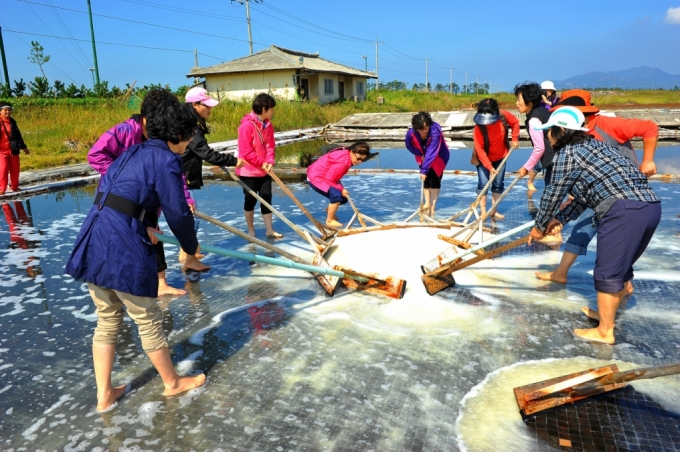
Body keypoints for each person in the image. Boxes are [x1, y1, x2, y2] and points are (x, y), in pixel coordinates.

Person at [65, 98, 207, 412]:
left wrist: (141, 223)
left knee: (107, 320)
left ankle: (104, 395)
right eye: (189, 135)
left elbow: (120, 193)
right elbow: (178, 213)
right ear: (177, 134)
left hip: (95, 238)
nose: (190, 142)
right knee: (147, 318)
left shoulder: (132, 151)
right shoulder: (166, 160)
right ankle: (172, 384)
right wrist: (191, 245)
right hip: (121, 247)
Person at [528, 107, 661, 345]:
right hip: (649, 207)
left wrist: (539, 226)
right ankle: (605, 314)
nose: (547, 137)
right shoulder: (600, 147)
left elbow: (552, 194)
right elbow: (585, 196)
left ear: (560, 132)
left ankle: (604, 332)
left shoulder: (566, 154)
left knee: (608, 270)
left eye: (549, 132)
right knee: (620, 266)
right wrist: (560, 219)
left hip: (623, 210)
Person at [88, 88, 208, 296]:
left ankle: (160, 282)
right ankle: (148, 284)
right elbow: (96, 154)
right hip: (126, 201)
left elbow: (176, 175)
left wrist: (186, 196)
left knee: (153, 234)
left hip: (147, 202)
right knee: (139, 239)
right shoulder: (125, 131)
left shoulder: (162, 143)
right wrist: (125, 176)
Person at [535, 89, 659, 285]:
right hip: (598, 192)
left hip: (622, 194)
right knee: (583, 230)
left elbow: (650, 127)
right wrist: (561, 215)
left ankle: (618, 288)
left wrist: (648, 160)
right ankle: (563, 273)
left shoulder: (607, 124)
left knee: (614, 242)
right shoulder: (572, 140)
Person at [181, 87, 240, 259]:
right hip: (180, 175)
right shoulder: (189, 125)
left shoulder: (193, 121)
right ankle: (187, 255)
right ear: (195, 105)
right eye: (206, 105)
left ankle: (187, 253)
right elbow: (206, 153)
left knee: (188, 215)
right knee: (192, 216)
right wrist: (234, 160)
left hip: (183, 173)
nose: (210, 109)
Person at [237, 93, 282, 238]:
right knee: (250, 199)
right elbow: (246, 151)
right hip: (248, 170)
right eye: (271, 109)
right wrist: (262, 162)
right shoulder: (246, 126)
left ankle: (269, 229)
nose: (273, 111)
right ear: (264, 109)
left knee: (266, 197)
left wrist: (269, 161)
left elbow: (270, 145)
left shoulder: (268, 125)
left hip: (264, 170)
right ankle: (251, 230)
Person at [471, 99, 520, 220]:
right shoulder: (479, 128)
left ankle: (494, 210)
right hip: (483, 160)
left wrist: (515, 138)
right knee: (483, 184)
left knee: (498, 184)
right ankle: (483, 211)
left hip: (500, 156)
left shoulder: (503, 116)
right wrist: (489, 167)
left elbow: (515, 123)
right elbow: (480, 150)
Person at [306, 142, 371, 228]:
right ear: (352, 152)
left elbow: (333, 176)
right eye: (358, 158)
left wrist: (342, 189)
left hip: (323, 175)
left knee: (344, 198)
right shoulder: (343, 162)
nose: (359, 162)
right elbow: (329, 179)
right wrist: (342, 189)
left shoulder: (347, 155)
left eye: (363, 160)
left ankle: (330, 210)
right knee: (337, 196)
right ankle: (329, 220)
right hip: (316, 178)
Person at [405, 111, 450, 218]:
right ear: (416, 128)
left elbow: (432, 151)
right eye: (421, 129)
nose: (425, 131)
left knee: (434, 179)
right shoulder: (411, 133)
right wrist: (419, 153)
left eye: (426, 128)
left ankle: (433, 206)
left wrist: (424, 169)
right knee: (426, 179)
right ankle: (427, 203)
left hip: (438, 155)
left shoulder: (435, 131)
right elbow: (408, 145)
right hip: (422, 156)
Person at [514, 83, 555, 190]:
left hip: (554, 162)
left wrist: (526, 167)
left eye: (519, 100)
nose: (516, 103)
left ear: (530, 102)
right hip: (562, 159)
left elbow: (539, 148)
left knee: (550, 197)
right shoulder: (544, 111)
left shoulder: (534, 120)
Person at [0, 102, 30, 195]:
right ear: (0, 111)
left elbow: (18, 135)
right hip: (2, 151)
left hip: (13, 150)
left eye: (9, 110)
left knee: (15, 169)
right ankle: (2, 188)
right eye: (5, 110)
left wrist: (24, 147)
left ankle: (15, 187)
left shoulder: (13, 122)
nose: (8, 112)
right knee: (3, 169)